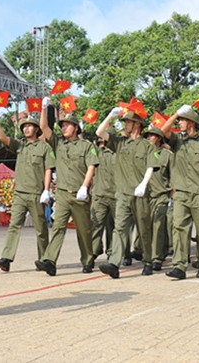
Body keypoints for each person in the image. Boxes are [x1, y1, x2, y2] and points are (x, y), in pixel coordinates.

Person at [160, 105, 199, 280]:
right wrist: (176, 113)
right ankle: (179, 266)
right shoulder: (177, 141)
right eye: (179, 120)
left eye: (182, 120)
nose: (179, 123)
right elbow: (162, 130)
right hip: (180, 192)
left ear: (191, 123)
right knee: (179, 228)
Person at [36, 109, 98, 275]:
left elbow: (91, 166)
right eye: (62, 125)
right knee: (58, 226)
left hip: (79, 193)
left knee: (83, 230)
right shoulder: (58, 143)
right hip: (62, 193)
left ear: (76, 128)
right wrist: (43, 108)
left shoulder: (87, 146)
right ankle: (50, 260)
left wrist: (85, 186)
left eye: (67, 125)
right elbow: (43, 127)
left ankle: (87, 260)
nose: (63, 128)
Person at [96, 108, 156, 278]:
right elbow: (99, 132)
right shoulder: (120, 142)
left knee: (144, 230)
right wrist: (110, 115)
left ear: (137, 124)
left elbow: (151, 165)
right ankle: (114, 263)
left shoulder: (147, 146)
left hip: (140, 194)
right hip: (122, 193)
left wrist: (144, 183)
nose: (125, 125)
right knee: (120, 228)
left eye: (128, 122)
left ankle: (148, 261)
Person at [0, 115, 54, 272]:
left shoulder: (44, 148)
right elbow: (3, 138)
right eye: (24, 127)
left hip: (36, 193)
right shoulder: (20, 146)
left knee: (41, 229)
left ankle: (44, 259)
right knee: (14, 225)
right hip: (20, 193)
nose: (26, 128)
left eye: (29, 126)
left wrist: (46, 190)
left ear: (36, 129)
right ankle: (6, 259)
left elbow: (48, 169)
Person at [144, 126, 174, 271]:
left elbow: (173, 176)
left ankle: (156, 258)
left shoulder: (167, 155)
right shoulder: (143, 153)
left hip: (161, 195)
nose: (149, 138)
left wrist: (172, 198)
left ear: (159, 138)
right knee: (146, 227)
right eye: (148, 135)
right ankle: (149, 254)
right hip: (145, 196)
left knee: (158, 226)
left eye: (152, 135)